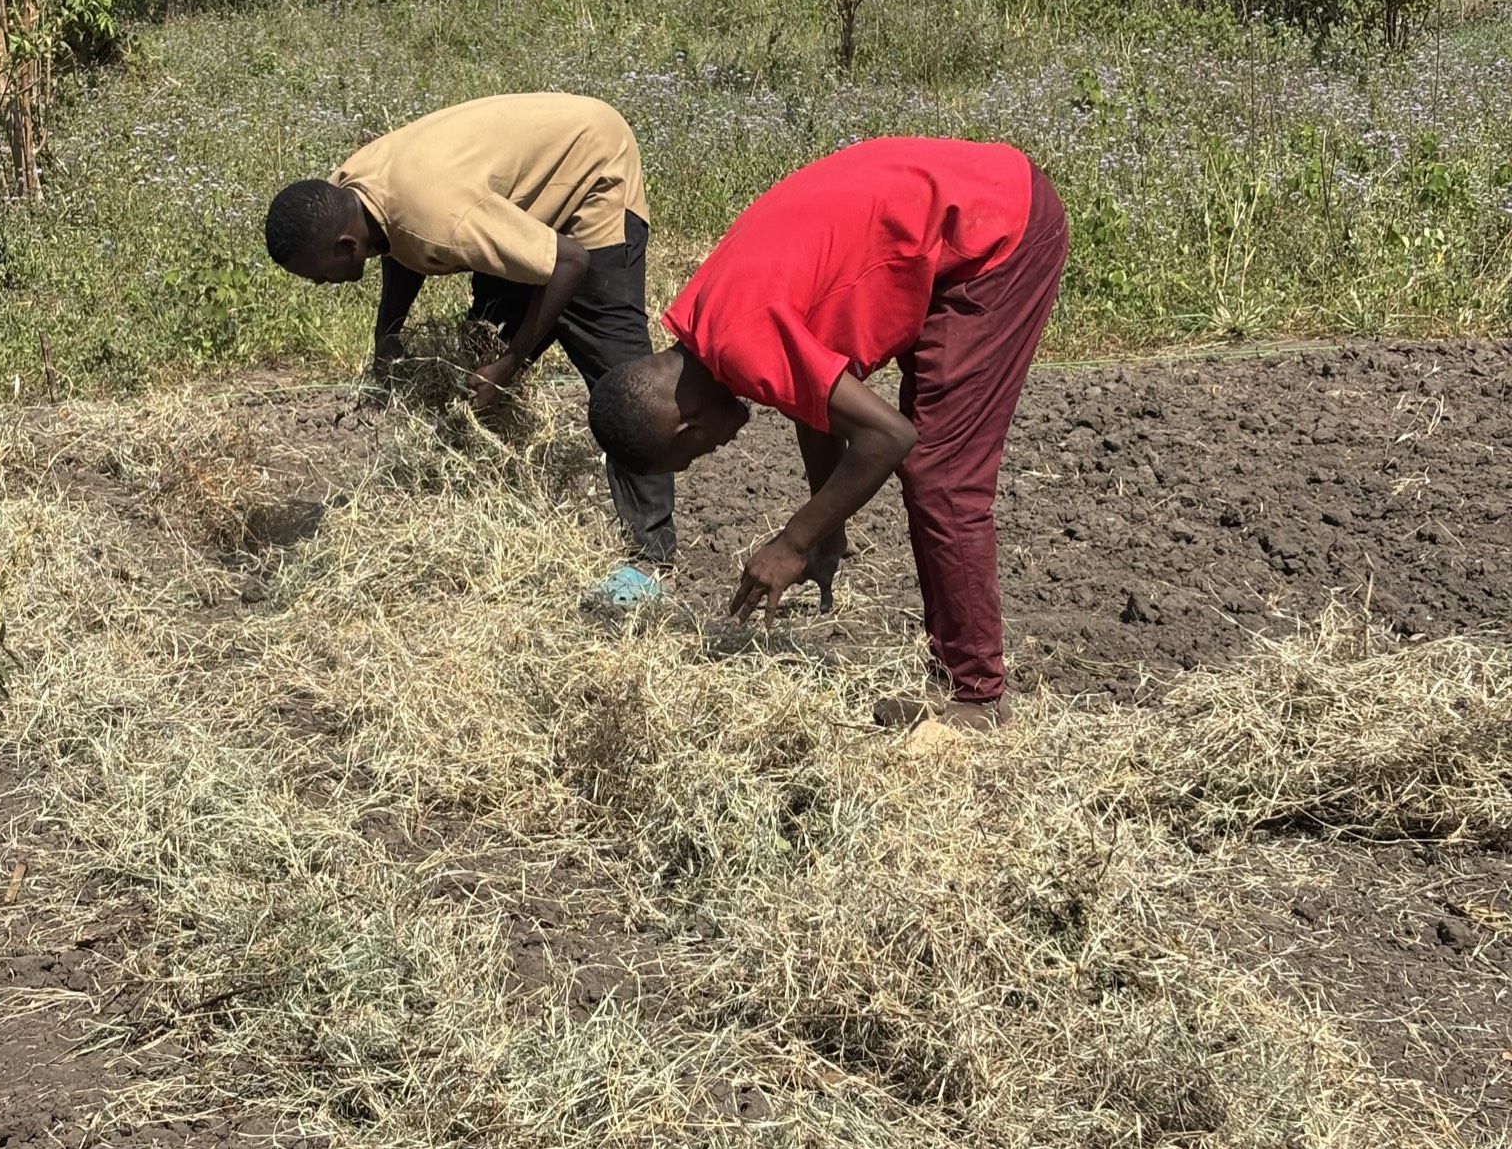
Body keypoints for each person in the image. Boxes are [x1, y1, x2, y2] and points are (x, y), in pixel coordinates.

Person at [585, 138, 1067, 726]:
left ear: (685, 428)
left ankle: (978, 694)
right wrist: (826, 532)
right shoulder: (705, 316)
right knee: (932, 466)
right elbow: (813, 398)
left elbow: (888, 437)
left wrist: (791, 543)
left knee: (942, 473)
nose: (719, 448)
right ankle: (960, 681)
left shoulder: (743, 341)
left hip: (993, 230)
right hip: (959, 203)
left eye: (696, 454)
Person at [264, 90, 675, 566]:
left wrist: (511, 360)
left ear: (344, 248)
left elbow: (569, 261)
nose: (317, 284)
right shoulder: (351, 192)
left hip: (591, 167)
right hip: (514, 200)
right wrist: (388, 334)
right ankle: (492, 518)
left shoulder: (441, 220)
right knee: (478, 358)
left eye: (315, 274)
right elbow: (397, 241)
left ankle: (649, 555)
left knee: (625, 388)